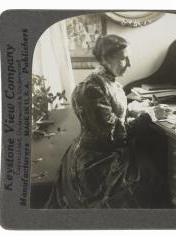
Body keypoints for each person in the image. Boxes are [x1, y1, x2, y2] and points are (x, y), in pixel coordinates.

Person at [46, 34, 164, 208]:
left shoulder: (111, 83)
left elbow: (113, 115)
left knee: (152, 170)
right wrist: (148, 116)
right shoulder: (90, 88)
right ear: (106, 58)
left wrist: (134, 111)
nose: (130, 64)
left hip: (110, 151)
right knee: (144, 180)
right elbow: (114, 134)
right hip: (96, 161)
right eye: (124, 59)